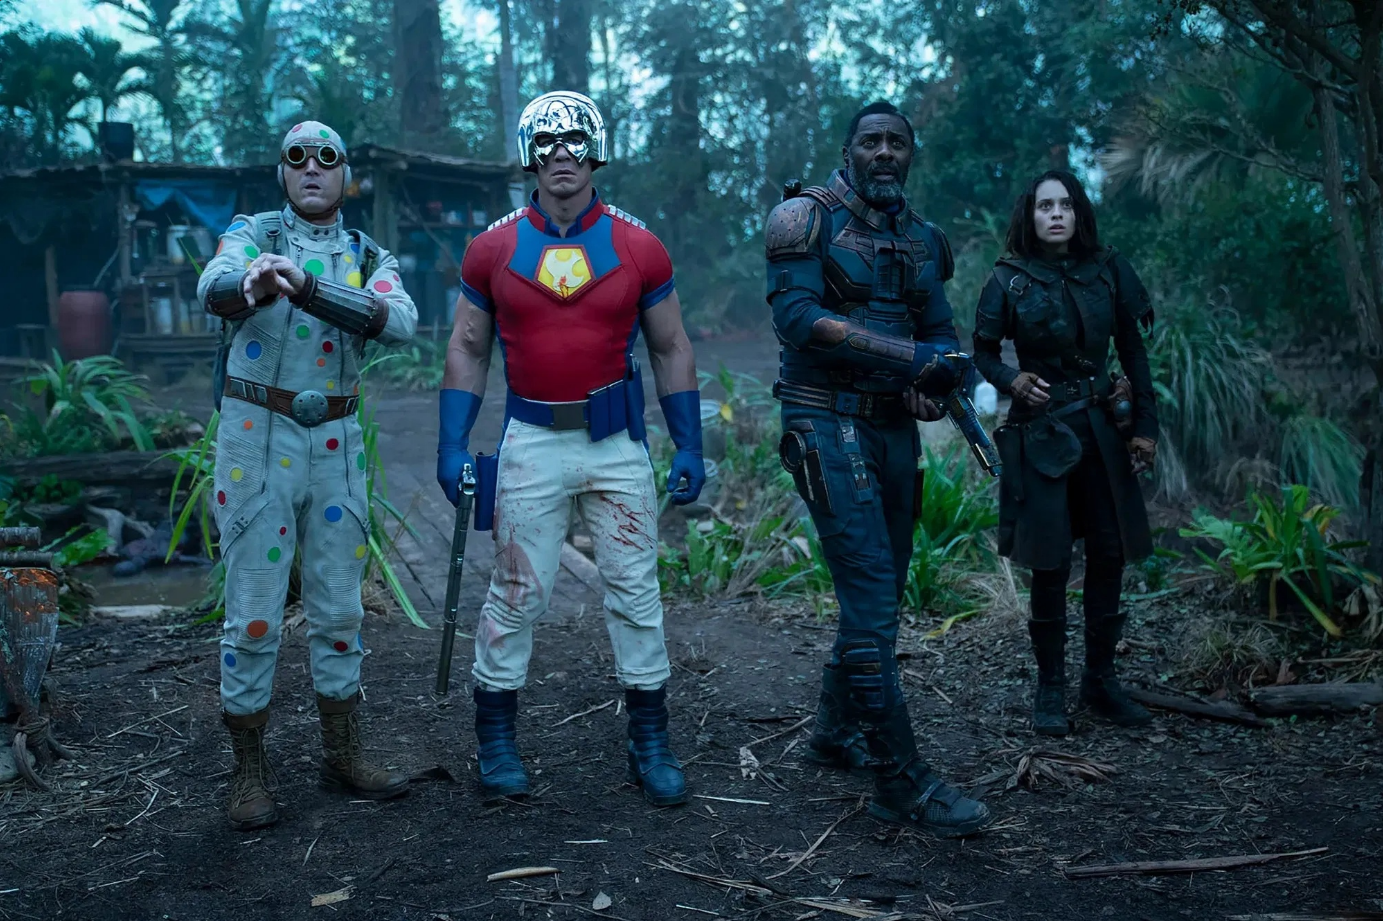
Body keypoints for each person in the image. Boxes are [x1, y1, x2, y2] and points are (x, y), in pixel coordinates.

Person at [437, 91, 704, 807]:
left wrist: (689, 443)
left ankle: (650, 740)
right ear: (529, 155)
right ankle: (496, 740)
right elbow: (467, 347)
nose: (562, 154)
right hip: (530, 441)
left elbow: (671, 345)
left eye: (575, 140)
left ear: (596, 152)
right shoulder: (491, 248)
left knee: (636, 590)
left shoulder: (638, 245)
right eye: (547, 142)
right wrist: (450, 442)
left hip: (617, 443)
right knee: (517, 590)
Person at [764, 100, 990, 838]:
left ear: (910, 154)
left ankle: (834, 733)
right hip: (823, 421)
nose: (884, 152)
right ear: (848, 151)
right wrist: (912, 360)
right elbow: (798, 319)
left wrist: (935, 380)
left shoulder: (923, 238)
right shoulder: (804, 218)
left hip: (892, 428)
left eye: (897, 141)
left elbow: (940, 329)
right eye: (871, 141)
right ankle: (900, 781)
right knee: (870, 596)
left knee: (882, 591)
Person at [197, 120, 419, 830]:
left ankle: (342, 752)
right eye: (298, 157)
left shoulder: (367, 253)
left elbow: (400, 320)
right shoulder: (253, 233)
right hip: (256, 435)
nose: (313, 167)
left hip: (336, 440)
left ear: (346, 174)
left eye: (328, 157)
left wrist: (309, 287)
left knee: (340, 604)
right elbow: (214, 285)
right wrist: (256, 284)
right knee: (254, 607)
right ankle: (248, 768)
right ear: (283, 172)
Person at [972, 169, 1158, 737]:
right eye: (1045, 206)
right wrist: (1012, 379)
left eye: (1065, 205)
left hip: (1102, 428)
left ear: (1078, 213)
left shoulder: (1109, 270)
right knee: (1050, 561)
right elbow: (982, 351)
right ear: (1029, 216)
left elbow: (1133, 353)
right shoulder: (1008, 279)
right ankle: (1049, 687)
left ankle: (1100, 681)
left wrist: (1144, 429)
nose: (1056, 214)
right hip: (1042, 432)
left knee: (1108, 552)